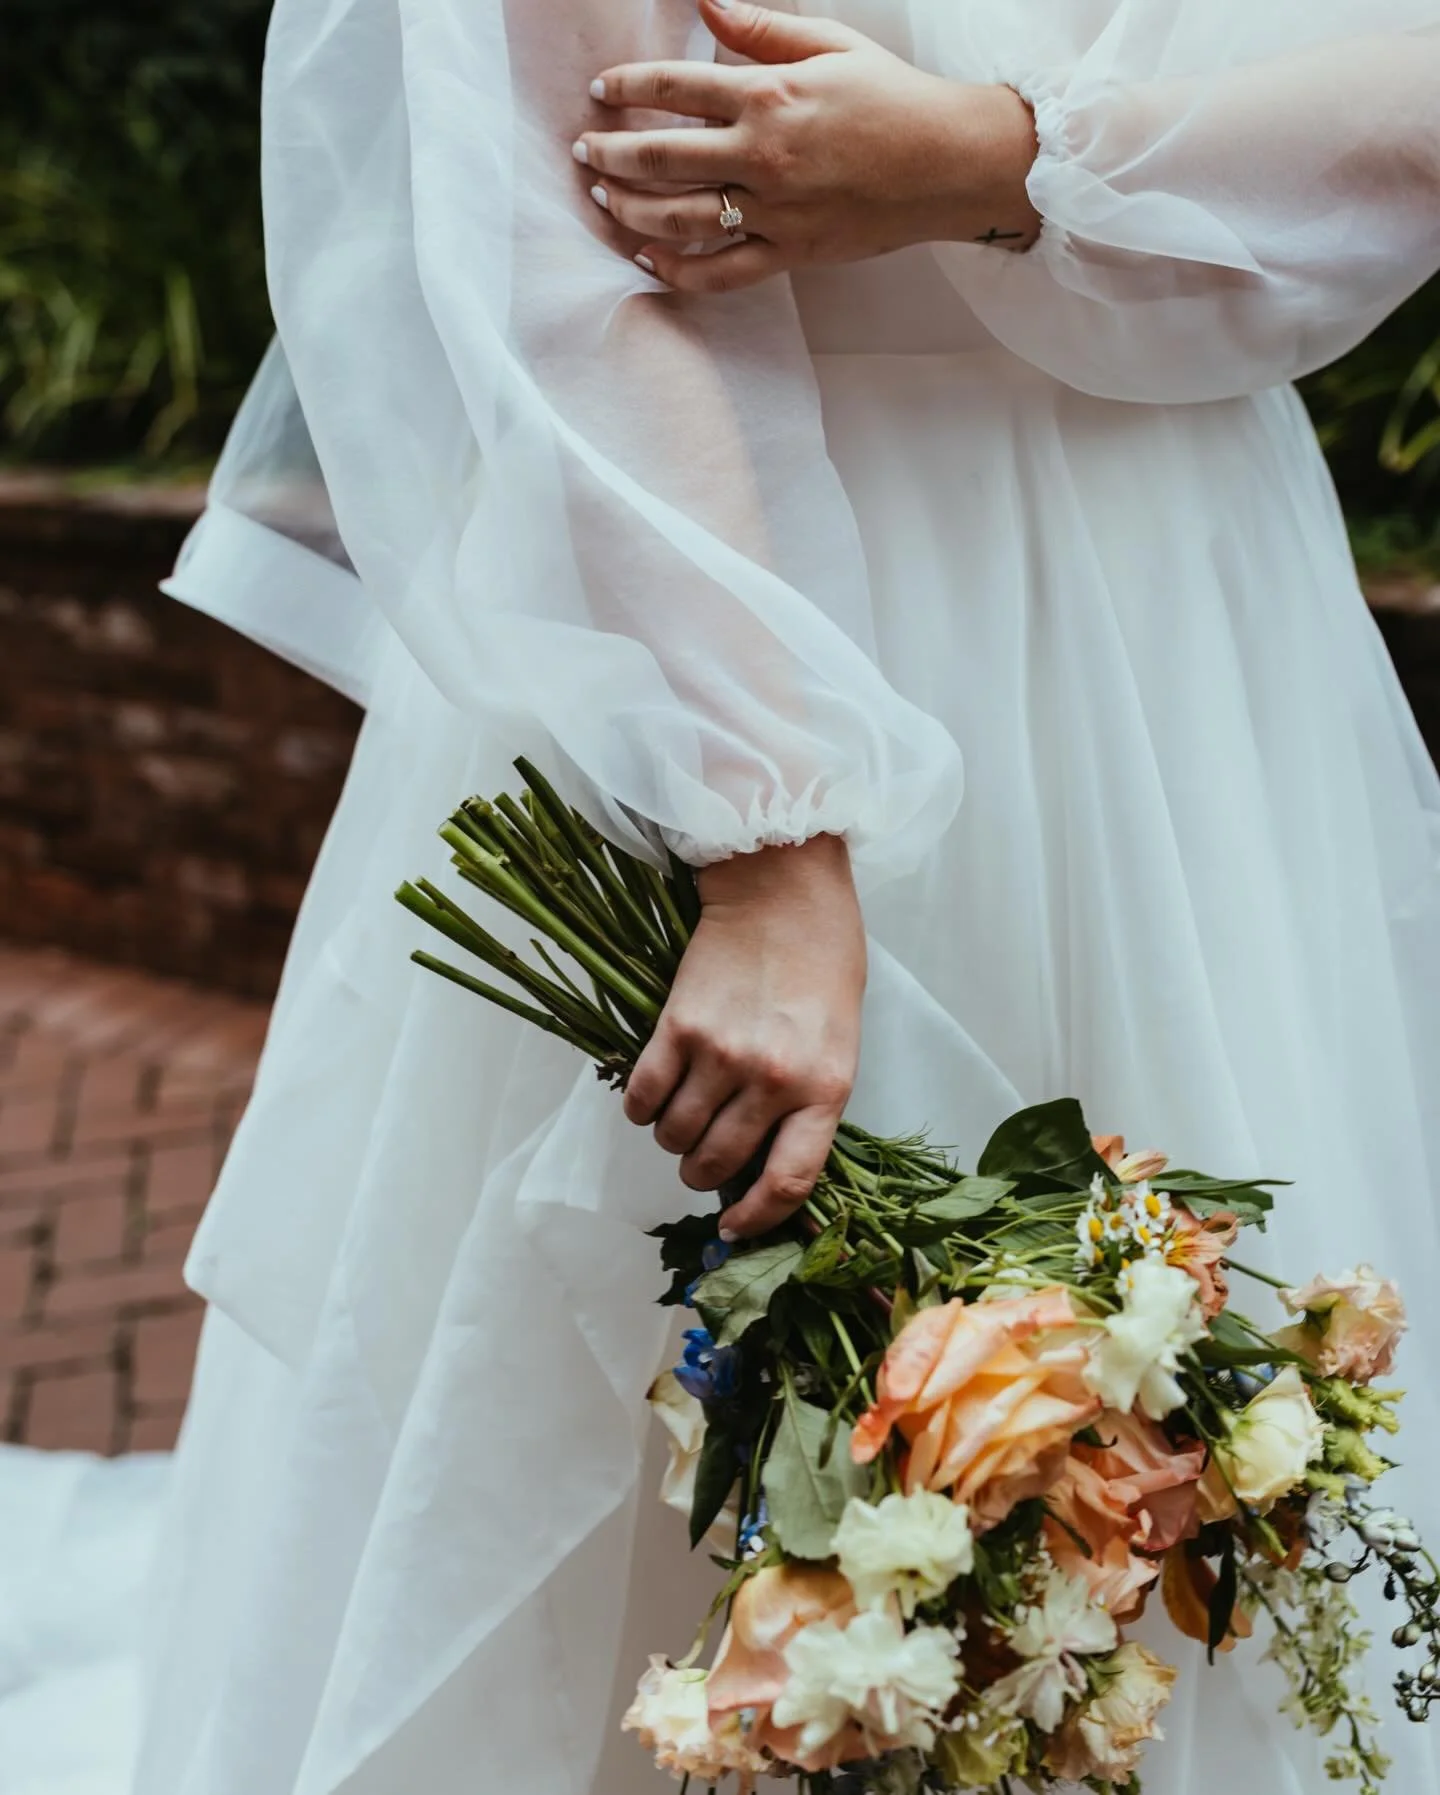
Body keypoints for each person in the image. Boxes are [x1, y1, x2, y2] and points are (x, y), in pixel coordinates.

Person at [132, 0, 1440, 1790]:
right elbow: (563, 222)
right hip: (742, 580)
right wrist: (768, 837)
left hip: (1188, 632)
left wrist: (1001, 156)